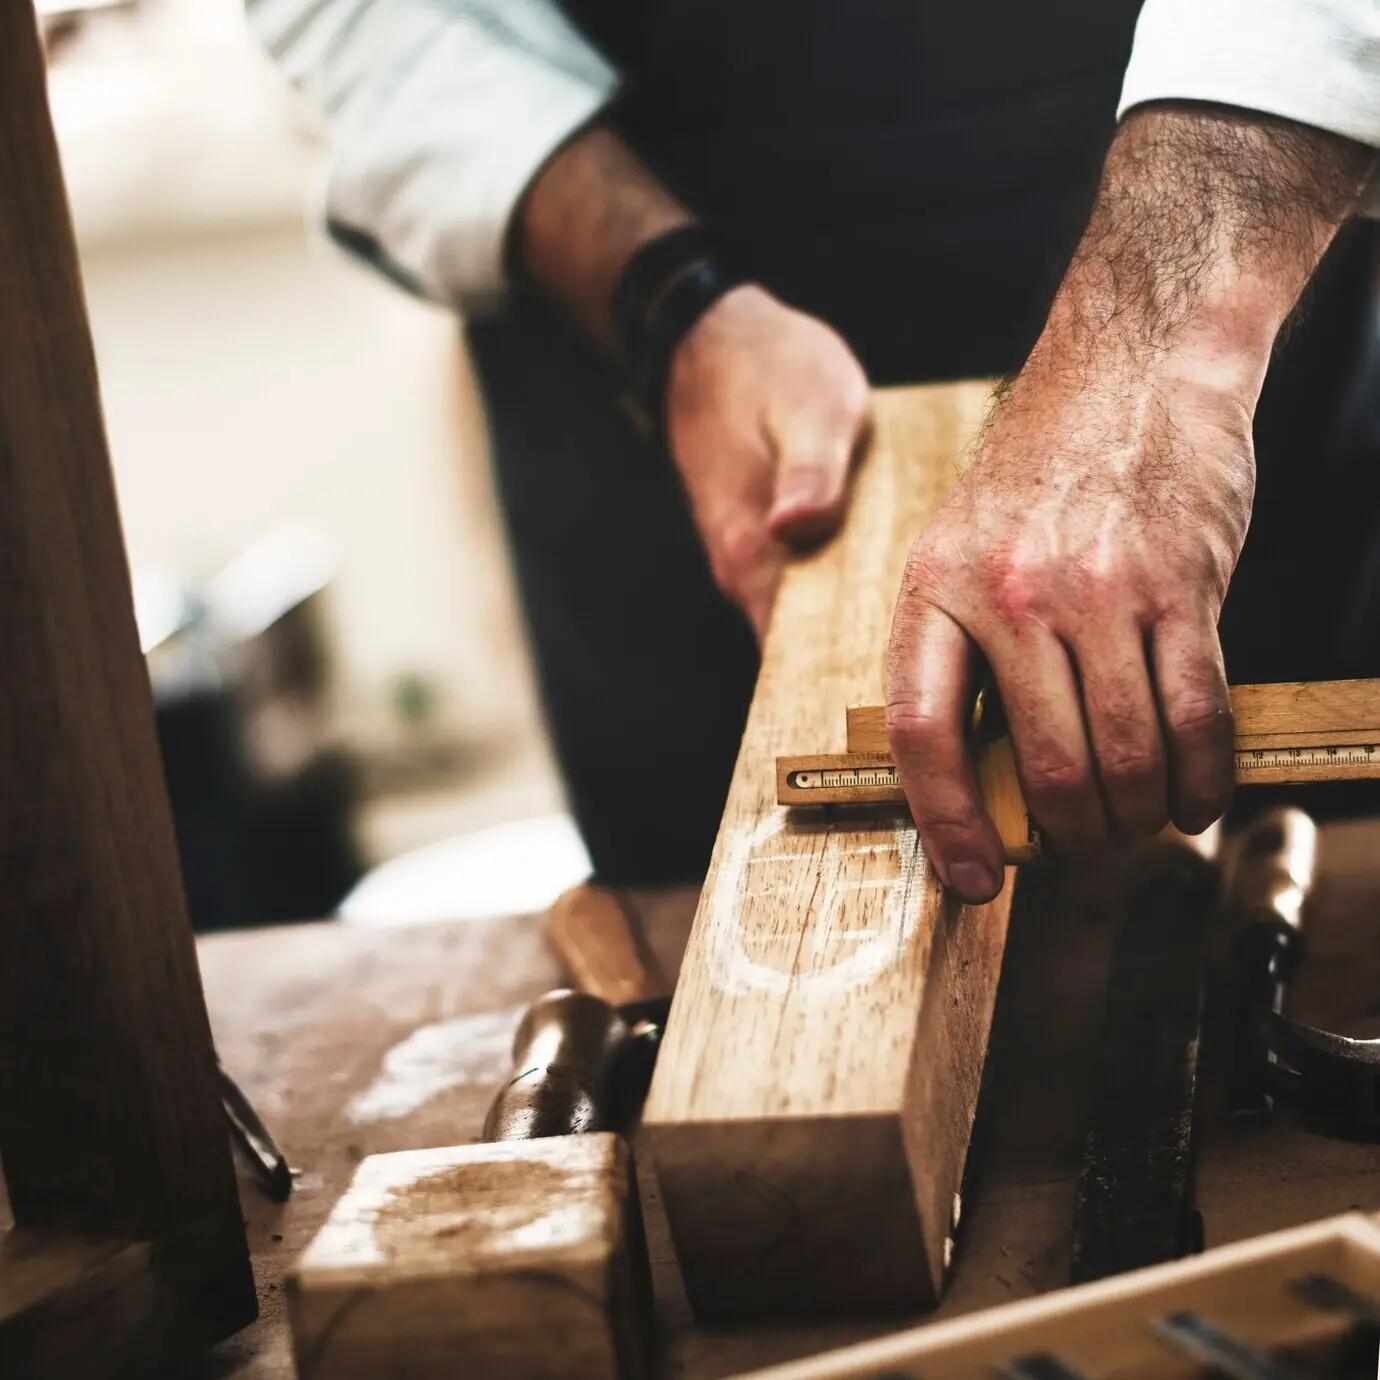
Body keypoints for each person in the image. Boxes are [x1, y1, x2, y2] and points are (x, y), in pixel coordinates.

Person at [247, 0, 1380, 900]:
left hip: (1230, 226)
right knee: (728, 957)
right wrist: (666, 304)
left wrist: (1164, 335)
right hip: (651, 354)